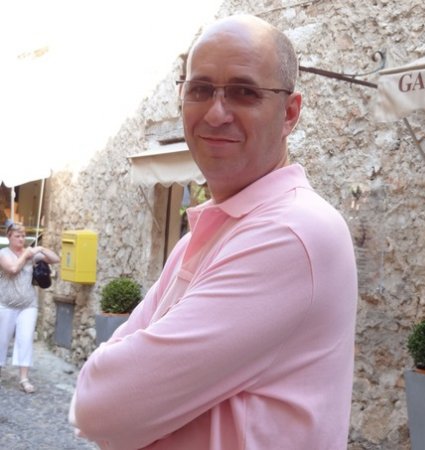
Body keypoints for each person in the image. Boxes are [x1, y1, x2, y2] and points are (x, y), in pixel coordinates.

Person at [69, 14, 358, 450]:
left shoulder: (291, 233)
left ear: (290, 113)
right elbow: (99, 399)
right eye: (200, 90)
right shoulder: (204, 236)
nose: (216, 113)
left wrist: (127, 387)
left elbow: (101, 404)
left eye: (244, 92)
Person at [0, 221, 60, 393]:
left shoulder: (30, 254)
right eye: (17, 236)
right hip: (6, 305)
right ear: (9, 237)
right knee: (2, 340)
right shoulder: (3, 254)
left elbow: (56, 259)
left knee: (25, 340)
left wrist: (41, 249)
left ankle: (24, 378)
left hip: (28, 305)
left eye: (23, 236)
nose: (21, 239)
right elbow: (13, 269)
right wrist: (27, 254)